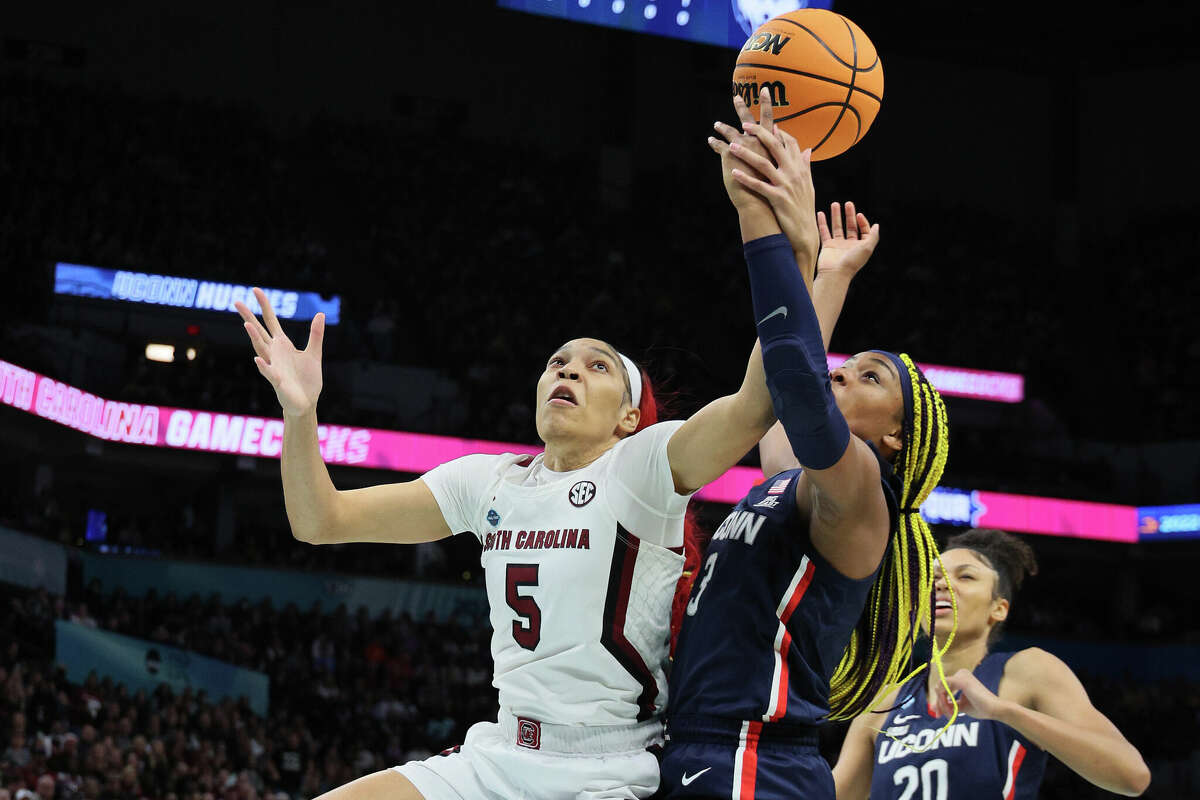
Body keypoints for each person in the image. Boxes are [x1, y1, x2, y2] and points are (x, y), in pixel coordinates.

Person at [234, 189, 791, 796]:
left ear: (630, 418)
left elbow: (754, 405)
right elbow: (321, 520)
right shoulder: (488, 481)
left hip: (605, 770)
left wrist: (786, 247)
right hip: (497, 755)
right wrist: (299, 412)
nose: (568, 370)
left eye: (596, 366)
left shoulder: (642, 469)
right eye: (557, 362)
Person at [658, 90, 951, 800]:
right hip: (703, 747)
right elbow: (779, 400)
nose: (845, 367)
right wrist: (828, 272)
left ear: (895, 436)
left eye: (871, 375)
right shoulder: (800, 481)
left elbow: (796, 377)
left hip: (753, 760)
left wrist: (760, 218)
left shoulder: (858, 494)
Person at [833, 528, 1152, 799]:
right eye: (932, 577)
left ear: (998, 608)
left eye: (966, 576)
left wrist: (1002, 711)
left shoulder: (1026, 671)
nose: (942, 584)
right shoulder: (883, 702)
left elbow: (1132, 775)